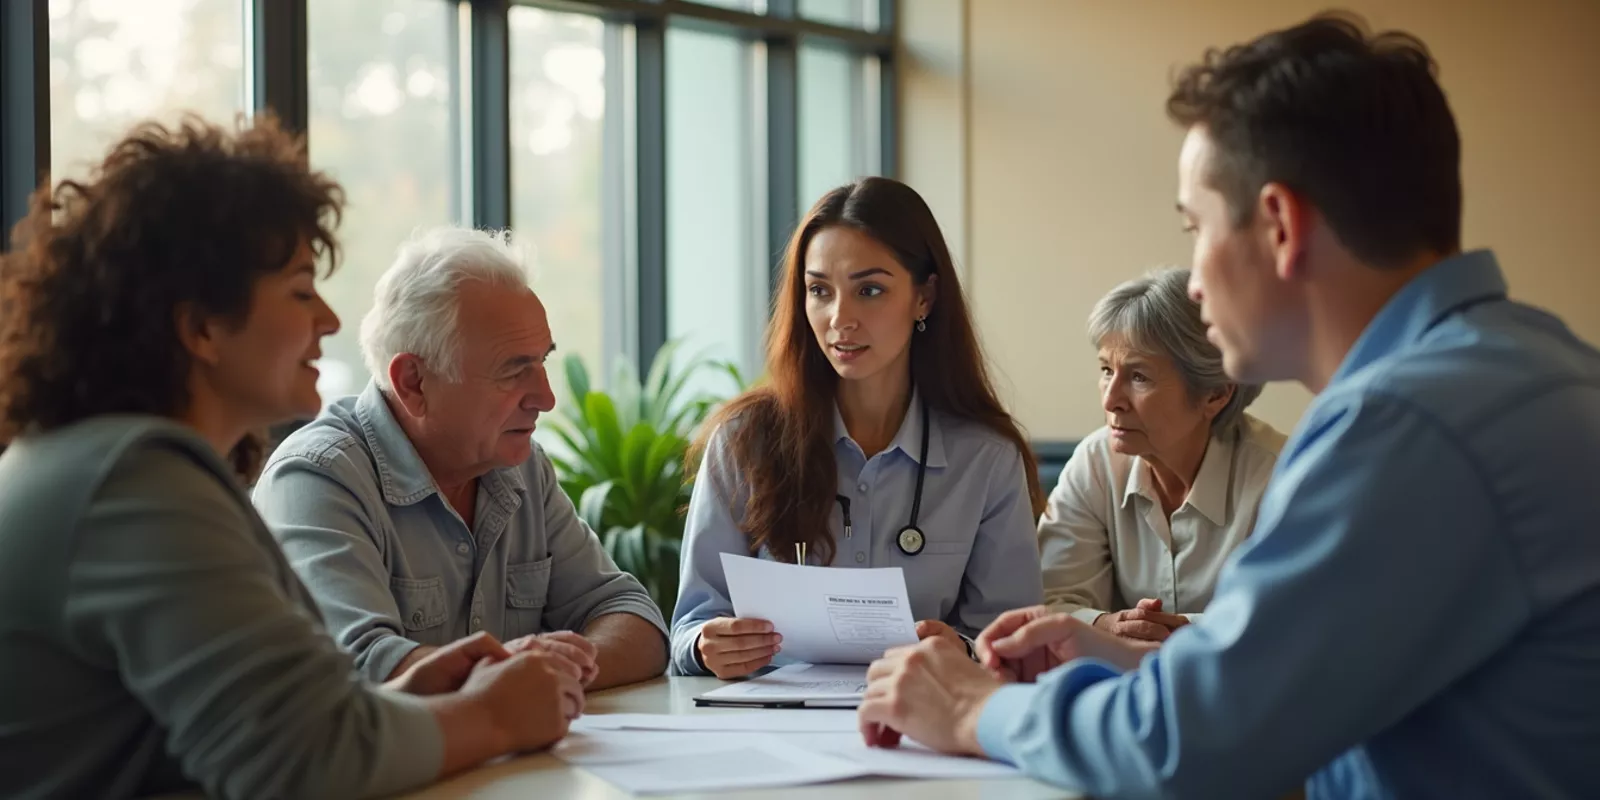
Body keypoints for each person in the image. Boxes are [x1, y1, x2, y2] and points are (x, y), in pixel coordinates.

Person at [857, 13, 1600, 799]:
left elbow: (1191, 745)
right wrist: (1118, 657)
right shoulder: (1538, 369)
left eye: (1196, 226)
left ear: (1280, 226)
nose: (1196, 281)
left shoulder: (1406, 427)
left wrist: (974, 709)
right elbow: (1295, 693)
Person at [0, 117, 585, 800]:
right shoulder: (134, 487)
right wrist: (495, 716)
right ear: (203, 327)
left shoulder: (114, 465)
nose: (329, 320)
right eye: (302, 290)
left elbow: (252, 732)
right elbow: (299, 764)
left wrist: (400, 698)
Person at [252, 225, 668, 692]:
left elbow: (635, 619)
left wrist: (555, 672)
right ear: (413, 382)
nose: (546, 398)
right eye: (514, 371)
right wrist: (518, 675)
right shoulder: (317, 477)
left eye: (542, 362)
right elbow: (360, 668)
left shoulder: (521, 467)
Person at [670, 177, 1047, 679]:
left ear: (925, 297)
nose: (839, 318)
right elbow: (691, 625)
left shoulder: (986, 459)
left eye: (869, 290)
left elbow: (1012, 643)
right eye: (819, 291)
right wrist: (705, 647)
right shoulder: (744, 441)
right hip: (769, 716)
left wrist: (964, 650)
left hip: (925, 714)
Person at [1039, 267, 1284, 645]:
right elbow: (1051, 598)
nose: (1111, 400)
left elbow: (1289, 616)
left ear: (1216, 395)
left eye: (1139, 377)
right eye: (1106, 370)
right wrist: (1106, 624)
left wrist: (1179, 632)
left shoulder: (1280, 475)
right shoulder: (1095, 463)